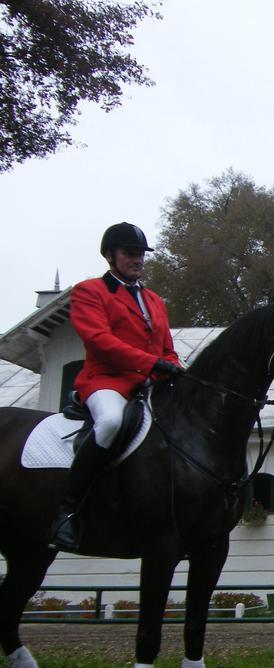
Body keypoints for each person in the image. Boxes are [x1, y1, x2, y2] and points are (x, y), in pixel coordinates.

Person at [49, 223, 184, 552]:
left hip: (149, 384)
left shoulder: (154, 300)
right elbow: (100, 341)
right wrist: (151, 363)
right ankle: (67, 510)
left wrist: (175, 367)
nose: (137, 259)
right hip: (106, 381)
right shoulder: (89, 292)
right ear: (110, 256)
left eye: (140, 254)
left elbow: (166, 347)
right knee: (110, 422)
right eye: (129, 253)